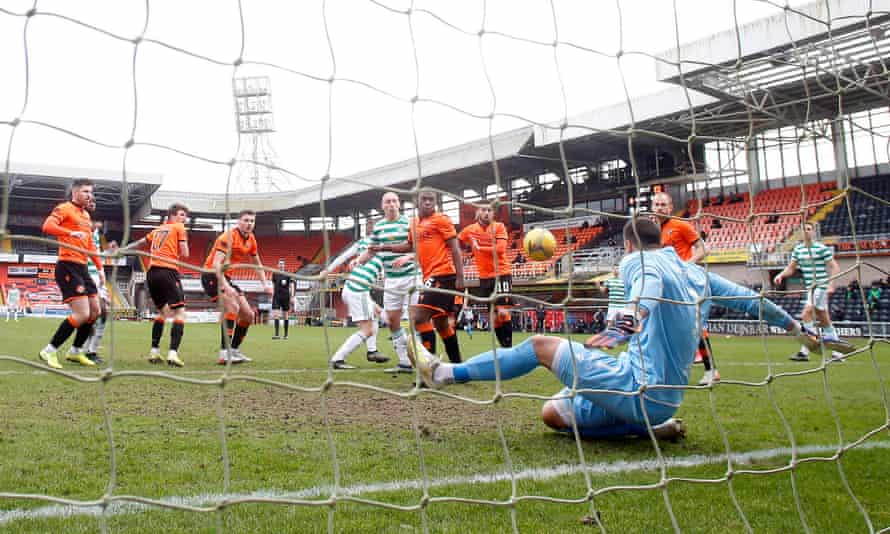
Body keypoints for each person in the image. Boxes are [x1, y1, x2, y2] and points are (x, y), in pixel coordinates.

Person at [407, 218, 828, 440]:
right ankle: (648, 427)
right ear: (662, 239)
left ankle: (444, 373)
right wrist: (797, 327)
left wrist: (633, 316)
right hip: (665, 400)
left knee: (539, 345)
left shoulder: (634, 261)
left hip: (634, 385)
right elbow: (754, 302)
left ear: (628, 244)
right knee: (552, 412)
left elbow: (646, 285)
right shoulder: (697, 273)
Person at [372, 190, 464, 363]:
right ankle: (458, 366)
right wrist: (385, 248)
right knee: (441, 324)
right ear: (416, 202)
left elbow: (455, 247)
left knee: (419, 318)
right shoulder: (414, 223)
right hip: (431, 275)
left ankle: (429, 367)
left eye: (431, 200)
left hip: (443, 274)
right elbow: (409, 246)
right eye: (424, 199)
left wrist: (461, 278)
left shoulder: (441, 219)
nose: (428, 202)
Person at [652, 191, 719, 385]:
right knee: (664, 326)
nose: (659, 208)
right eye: (656, 205)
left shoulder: (680, 225)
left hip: (685, 283)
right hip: (665, 285)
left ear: (670, 207)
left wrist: (686, 266)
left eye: (663, 204)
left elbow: (703, 249)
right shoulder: (654, 230)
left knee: (695, 327)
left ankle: (711, 370)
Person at [38, 178, 105, 369]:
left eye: (91, 192)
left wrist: (100, 268)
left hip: (83, 267)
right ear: (74, 192)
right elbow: (47, 226)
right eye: (85, 191)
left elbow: (91, 245)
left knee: (95, 311)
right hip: (67, 265)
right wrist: (69, 233)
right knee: (82, 313)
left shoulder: (86, 216)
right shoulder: (64, 208)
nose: (89, 195)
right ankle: (49, 351)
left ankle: (75, 352)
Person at [356, 192, 421, 373]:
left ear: (399, 204)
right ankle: (404, 362)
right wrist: (358, 261)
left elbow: (421, 248)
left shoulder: (409, 223)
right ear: (382, 206)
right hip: (392, 280)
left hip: (413, 276)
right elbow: (371, 251)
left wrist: (408, 257)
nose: (391, 204)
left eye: (394, 201)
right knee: (393, 321)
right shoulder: (379, 227)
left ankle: (423, 359)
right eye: (387, 202)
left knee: (416, 320)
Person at [774, 222, 853, 361]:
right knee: (824, 319)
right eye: (804, 229)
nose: (806, 231)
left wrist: (831, 285)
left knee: (806, 314)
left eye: (809, 229)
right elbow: (791, 268)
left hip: (821, 286)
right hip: (810, 289)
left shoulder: (821, 248)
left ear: (813, 232)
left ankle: (805, 351)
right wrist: (780, 275)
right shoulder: (798, 249)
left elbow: (835, 267)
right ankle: (838, 353)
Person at [201, 209, 272, 365]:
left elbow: (257, 264)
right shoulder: (227, 237)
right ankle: (224, 353)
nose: (249, 224)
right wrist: (226, 286)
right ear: (238, 222)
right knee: (232, 306)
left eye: (252, 221)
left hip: (226, 277)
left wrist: (265, 284)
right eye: (246, 220)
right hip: (211, 275)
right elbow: (216, 264)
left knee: (248, 315)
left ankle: (234, 351)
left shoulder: (251, 240)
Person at [125, 203, 190, 367]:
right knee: (180, 313)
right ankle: (173, 354)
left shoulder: (157, 230)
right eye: (182, 215)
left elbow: (140, 242)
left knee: (163, 313)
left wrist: (122, 249)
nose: (184, 219)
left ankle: (154, 351)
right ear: (173, 215)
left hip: (152, 273)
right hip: (168, 271)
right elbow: (185, 253)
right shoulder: (178, 228)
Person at [329, 238, 389, 369]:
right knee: (367, 330)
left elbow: (343, 257)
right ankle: (337, 359)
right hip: (358, 290)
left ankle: (372, 351)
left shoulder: (364, 242)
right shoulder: (385, 247)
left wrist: (327, 270)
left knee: (377, 312)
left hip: (353, 287)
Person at [458, 205, 513, 347]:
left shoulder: (499, 227)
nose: (486, 212)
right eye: (483, 210)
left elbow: (501, 249)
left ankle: (509, 349)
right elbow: (455, 242)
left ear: (493, 213)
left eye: (489, 210)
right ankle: (505, 349)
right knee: (494, 317)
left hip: (501, 273)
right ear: (477, 213)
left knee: (502, 312)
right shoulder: (470, 230)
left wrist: (480, 248)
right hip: (484, 277)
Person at [82, 203, 110, 364]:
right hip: (86, 276)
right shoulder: (82, 231)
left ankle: (88, 349)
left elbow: (95, 254)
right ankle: (85, 350)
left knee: (101, 315)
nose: (99, 224)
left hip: (98, 276)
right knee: (97, 312)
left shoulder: (97, 233)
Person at [271, 259, 295, 340]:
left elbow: (291, 286)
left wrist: (292, 296)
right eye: (280, 264)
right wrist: (272, 294)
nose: (281, 265)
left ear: (284, 265)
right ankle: (277, 334)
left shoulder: (288, 274)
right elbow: (273, 285)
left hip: (285, 297)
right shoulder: (275, 274)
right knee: (276, 315)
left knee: (285, 315)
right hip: (276, 296)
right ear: (278, 265)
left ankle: (286, 335)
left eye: (282, 264)